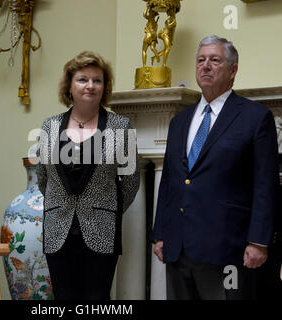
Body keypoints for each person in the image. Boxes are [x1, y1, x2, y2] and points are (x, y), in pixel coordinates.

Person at [152, 35, 280, 300]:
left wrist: (259, 241)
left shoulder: (255, 118)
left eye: (215, 60)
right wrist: (161, 233)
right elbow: (170, 181)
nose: (205, 66)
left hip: (228, 249)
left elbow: (265, 185)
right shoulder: (180, 121)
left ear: (232, 70)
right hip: (179, 248)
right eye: (201, 60)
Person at [36, 51, 140, 300]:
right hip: (57, 229)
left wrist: (105, 208)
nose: (90, 86)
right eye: (83, 79)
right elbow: (43, 178)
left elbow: (131, 181)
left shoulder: (121, 126)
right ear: (69, 86)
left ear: (105, 87)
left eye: (97, 80)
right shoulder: (49, 127)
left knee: (98, 300)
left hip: (102, 229)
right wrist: (64, 203)